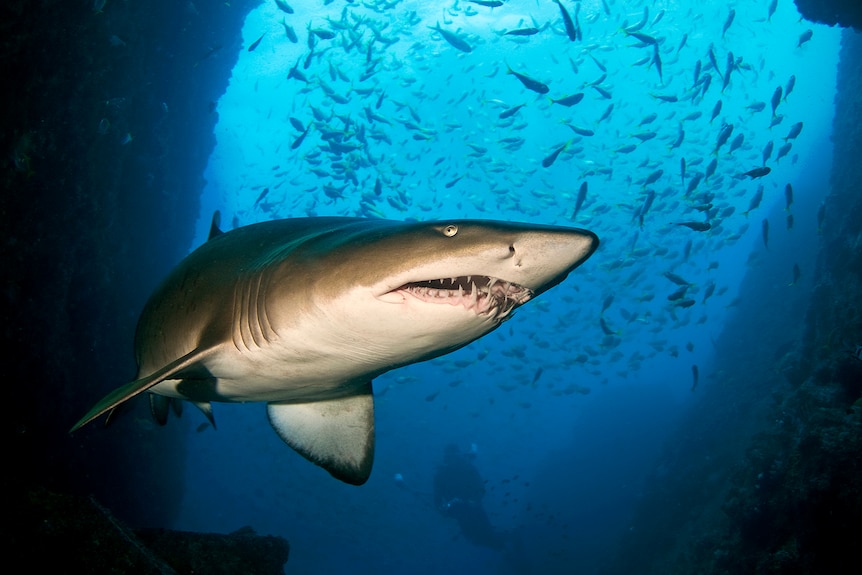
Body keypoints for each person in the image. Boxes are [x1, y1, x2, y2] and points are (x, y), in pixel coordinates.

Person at [433, 443, 504, 550]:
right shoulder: (440, 475)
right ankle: (506, 546)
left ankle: (509, 541)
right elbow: (437, 498)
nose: (452, 459)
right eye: (449, 456)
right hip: (459, 512)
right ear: (446, 457)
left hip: (475, 509)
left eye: (454, 456)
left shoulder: (467, 467)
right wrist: (442, 510)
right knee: (475, 540)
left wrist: (474, 500)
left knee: (489, 535)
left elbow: (481, 487)